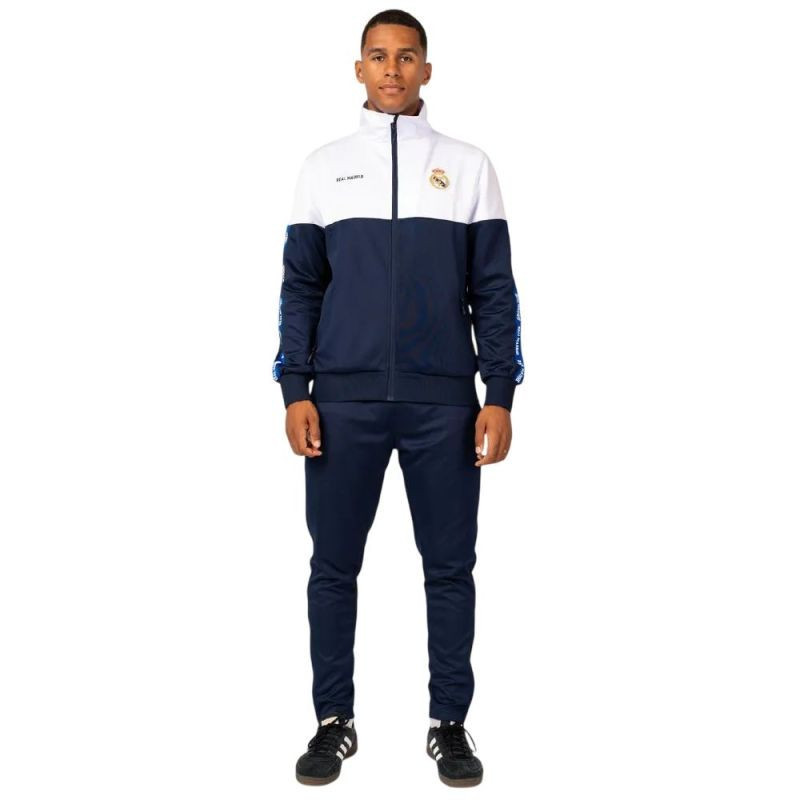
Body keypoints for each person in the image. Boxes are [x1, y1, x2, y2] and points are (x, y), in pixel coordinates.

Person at [272, 9, 524, 787]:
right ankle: (333, 722)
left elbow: (496, 290)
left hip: (443, 405)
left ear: (426, 70)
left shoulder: (469, 166)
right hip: (340, 404)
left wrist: (499, 393)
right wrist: (294, 389)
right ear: (358, 69)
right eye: (378, 56)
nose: (392, 69)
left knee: (449, 568)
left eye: (406, 56)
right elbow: (300, 288)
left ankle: (449, 724)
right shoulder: (323, 167)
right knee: (332, 567)